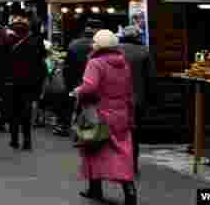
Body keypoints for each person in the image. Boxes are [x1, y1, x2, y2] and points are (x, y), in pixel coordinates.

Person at [74, 29, 136, 205]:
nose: (92, 44)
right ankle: (129, 191)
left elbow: (89, 88)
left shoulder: (96, 63)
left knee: (92, 149)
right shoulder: (123, 63)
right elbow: (129, 89)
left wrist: (78, 91)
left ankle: (95, 189)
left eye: (94, 42)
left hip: (100, 114)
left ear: (99, 45)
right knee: (123, 153)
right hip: (121, 113)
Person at [0, 12, 46, 150]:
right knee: (26, 111)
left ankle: (14, 139)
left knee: (13, 111)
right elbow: (41, 63)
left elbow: (0, 62)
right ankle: (27, 140)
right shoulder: (36, 40)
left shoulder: (7, 40)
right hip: (29, 82)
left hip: (10, 82)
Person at [118, 25, 156, 174]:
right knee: (134, 133)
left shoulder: (116, 51)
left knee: (118, 132)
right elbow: (151, 78)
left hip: (117, 99)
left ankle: (120, 161)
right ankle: (132, 163)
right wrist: (152, 97)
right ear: (137, 37)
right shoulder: (144, 51)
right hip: (138, 99)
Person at [56, 16, 99, 137]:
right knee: (87, 105)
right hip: (91, 79)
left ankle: (64, 126)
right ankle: (84, 130)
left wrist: (67, 81)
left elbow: (67, 65)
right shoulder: (98, 46)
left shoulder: (74, 44)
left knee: (69, 103)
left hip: (74, 79)